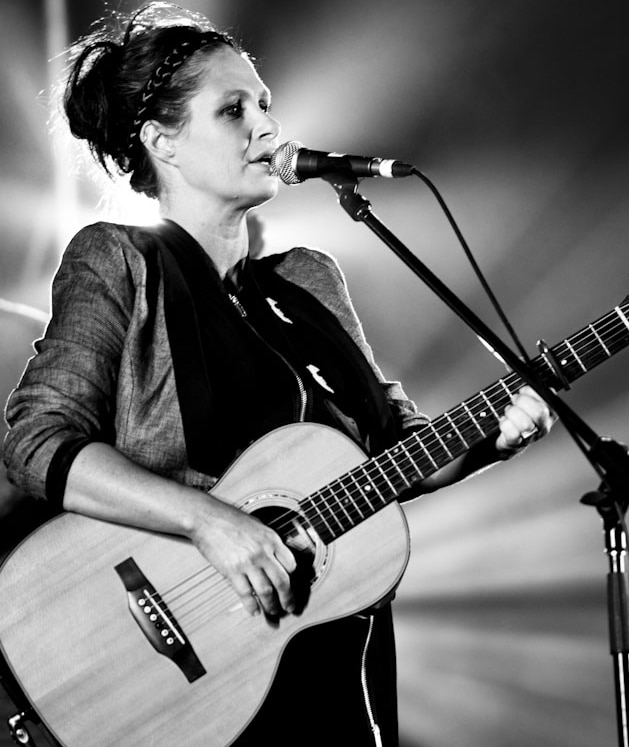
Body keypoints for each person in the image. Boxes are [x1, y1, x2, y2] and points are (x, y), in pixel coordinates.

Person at [2, 4, 554, 745]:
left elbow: (392, 449)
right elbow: (37, 440)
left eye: (264, 104)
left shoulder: (307, 281)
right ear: (162, 140)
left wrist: (490, 438)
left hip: (323, 650)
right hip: (185, 655)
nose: (267, 128)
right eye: (233, 110)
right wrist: (211, 520)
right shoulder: (119, 260)